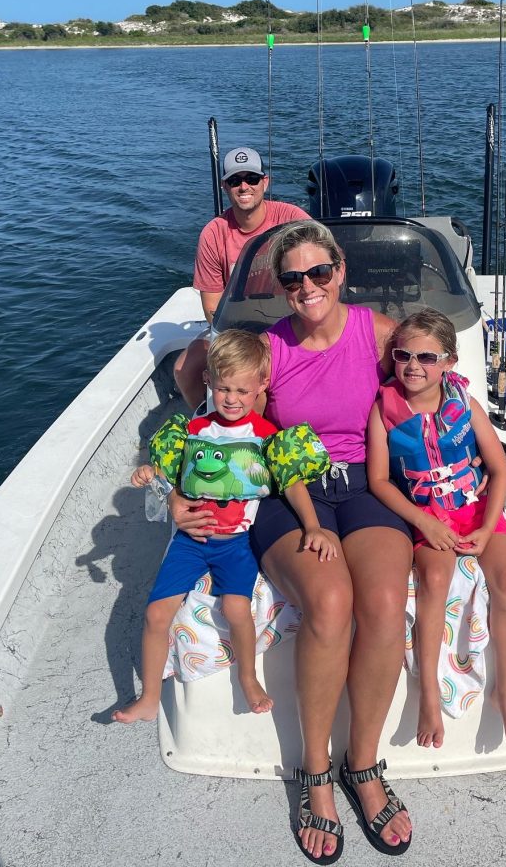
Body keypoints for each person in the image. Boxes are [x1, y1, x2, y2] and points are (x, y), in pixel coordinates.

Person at [168, 220, 414, 864]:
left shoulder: (380, 335)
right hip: (288, 489)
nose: (308, 286)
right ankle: (315, 774)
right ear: (280, 286)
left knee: (385, 605)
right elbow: (192, 366)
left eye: (319, 273)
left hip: (366, 484)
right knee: (330, 604)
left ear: (340, 272)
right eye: (293, 277)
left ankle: (363, 767)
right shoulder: (267, 348)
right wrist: (195, 477)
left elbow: (434, 385)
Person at [113, 329, 337, 725]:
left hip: (236, 544)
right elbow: (172, 477)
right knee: (155, 614)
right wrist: (152, 473)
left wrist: (313, 526)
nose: (231, 399)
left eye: (241, 391)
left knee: (237, 607)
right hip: (191, 540)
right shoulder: (193, 431)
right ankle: (149, 697)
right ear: (208, 383)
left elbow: (291, 481)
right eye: (223, 389)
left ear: (260, 388)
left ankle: (248, 679)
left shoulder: (267, 438)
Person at [366, 308, 506, 757]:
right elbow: (379, 481)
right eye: (403, 355)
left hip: (475, 510)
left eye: (427, 356)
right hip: (427, 514)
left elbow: (497, 470)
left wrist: (484, 527)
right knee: (434, 581)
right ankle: (429, 699)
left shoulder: (467, 403)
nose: (413, 366)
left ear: (450, 362)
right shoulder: (383, 411)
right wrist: (423, 522)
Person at [174, 146, 309, 409]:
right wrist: (248, 345)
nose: (244, 186)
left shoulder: (291, 218)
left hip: (293, 322)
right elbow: (212, 308)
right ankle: (212, 426)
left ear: (265, 182)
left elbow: (330, 260)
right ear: (225, 186)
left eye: (252, 179)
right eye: (235, 181)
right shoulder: (214, 234)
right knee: (184, 368)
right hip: (237, 328)